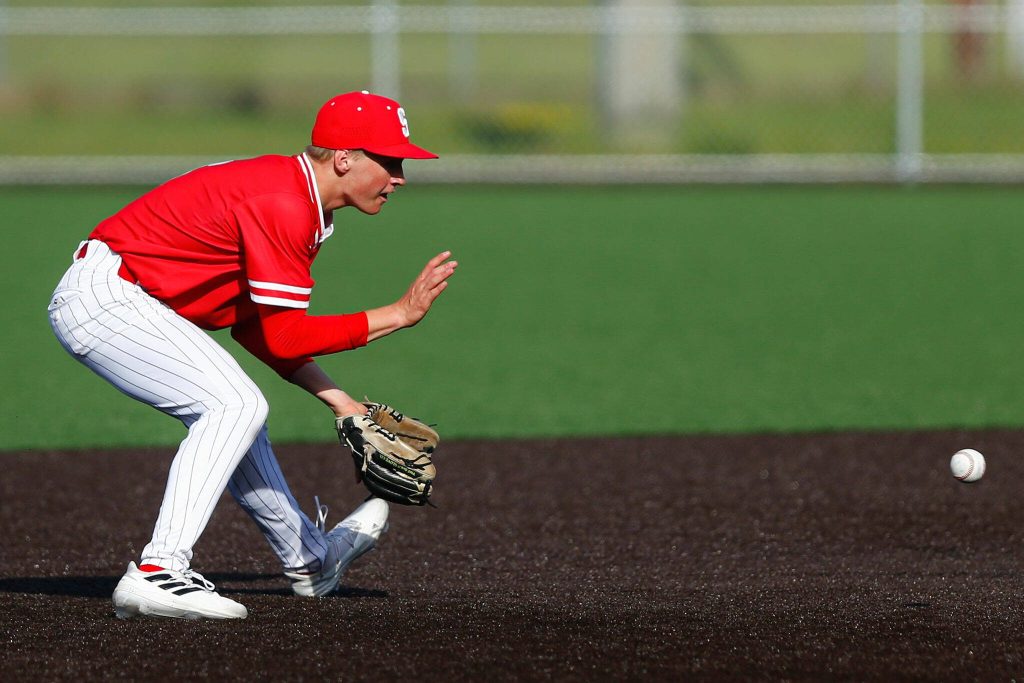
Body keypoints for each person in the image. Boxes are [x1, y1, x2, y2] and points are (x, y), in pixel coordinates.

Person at [46, 90, 457, 620]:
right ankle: (160, 570)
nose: (399, 176)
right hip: (109, 297)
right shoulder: (283, 203)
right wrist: (397, 315)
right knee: (234, 406)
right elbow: (285, 337)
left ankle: (310, 559)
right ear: (345, 157)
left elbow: (257, 330)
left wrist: (343, 403)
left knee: (238, 417)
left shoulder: (297, 197)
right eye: (390, 160)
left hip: (128, 297)